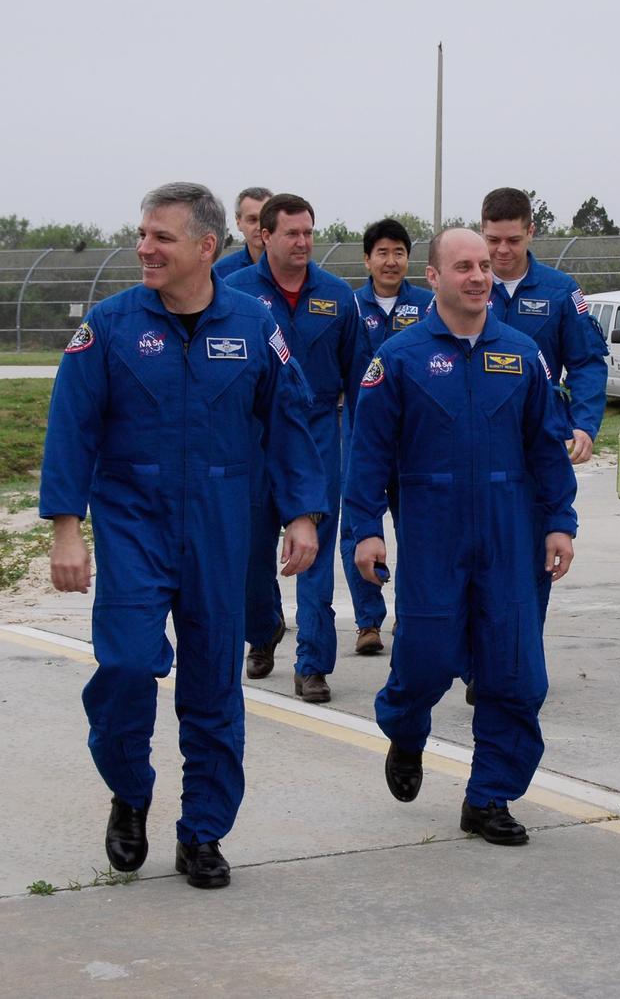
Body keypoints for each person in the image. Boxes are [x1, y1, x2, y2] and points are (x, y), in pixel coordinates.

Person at [41, 182, 326, 889]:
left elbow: (291, 421)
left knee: (212, 689)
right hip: (134, 521)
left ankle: (202, 833)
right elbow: (71, 428)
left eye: (160, 237)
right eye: (141, 234)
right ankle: (130, 789)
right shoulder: (108, 327)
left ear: (206, 247)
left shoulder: (255, 327)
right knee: (129, 666)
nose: (144, 248)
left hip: (224, 524)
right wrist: (67, 531)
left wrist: (302, 514)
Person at [345, 228, 576, 846]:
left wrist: (559, 521)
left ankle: (489, 795)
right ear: (434, 278)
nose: (478, 276)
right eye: (464, 266)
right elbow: (367, 456)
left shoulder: (522, 354)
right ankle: (405, 728)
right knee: (424, 662)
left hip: (509, 537)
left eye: (484, 266)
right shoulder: (399, 358)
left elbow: (546, 448)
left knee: (514, 674)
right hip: (432, 534)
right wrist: (365, 530)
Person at [226, 193, 365, 704]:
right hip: (255, 438)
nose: (304, 242)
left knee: (314, 553)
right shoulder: (233, 291)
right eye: (292, 233)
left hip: (317, 435)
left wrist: (362, 445)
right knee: (250, 552)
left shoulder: (337, 296)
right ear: (265, 236)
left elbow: (360, 377)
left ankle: (313, 663)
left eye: (309, 232)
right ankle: (262, 631)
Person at [481, 187, 606, 624]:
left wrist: (585, 425)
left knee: (538, 548)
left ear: (531, 232)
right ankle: (483, 656)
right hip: (475, 441)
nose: (501, 250)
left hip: (538, 443)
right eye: (493, 239)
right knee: (479, 551)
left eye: (513, 240)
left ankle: (520, 654)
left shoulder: (559, 292)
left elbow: (588, 362)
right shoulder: (465, 287)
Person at [340, 218, 435, 657]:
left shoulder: (432, 305)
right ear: (367, 259)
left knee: (418, 527)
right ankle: (367, 621)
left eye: (398, 252)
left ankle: (412, 613)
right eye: (382, 252)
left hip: (417, 441)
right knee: (360, 527)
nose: (391, 261)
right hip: (362, 437)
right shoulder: (348, 307)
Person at [212, 187, 272, 279]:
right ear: (238, 222)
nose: (260, 227)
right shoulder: (221, 272)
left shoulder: (295, 268)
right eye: (252, 220)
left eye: (265, 218)